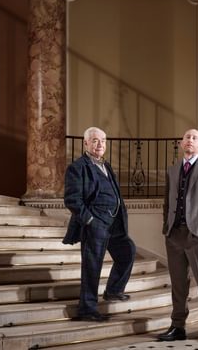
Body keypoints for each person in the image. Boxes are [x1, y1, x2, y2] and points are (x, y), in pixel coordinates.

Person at [63, 126, 136, 322]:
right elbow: (72, 200)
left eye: (103, 140)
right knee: (92, 266)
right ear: (86, 143)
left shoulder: (106, 166)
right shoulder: (77, 167)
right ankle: (87, 309)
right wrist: (90, 221)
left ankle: (113, 290)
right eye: (95, 140)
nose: (100, 144)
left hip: (115, 223)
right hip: (95, 224)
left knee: (127, 251)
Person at [157, 128, 198, 344]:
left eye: (195, 138)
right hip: (174, 234)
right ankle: (177, 326)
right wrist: (167, 226)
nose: (190, 140)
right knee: (178, 284)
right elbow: (167, 202)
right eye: (187, 137)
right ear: (181, 143)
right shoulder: (173, 170)